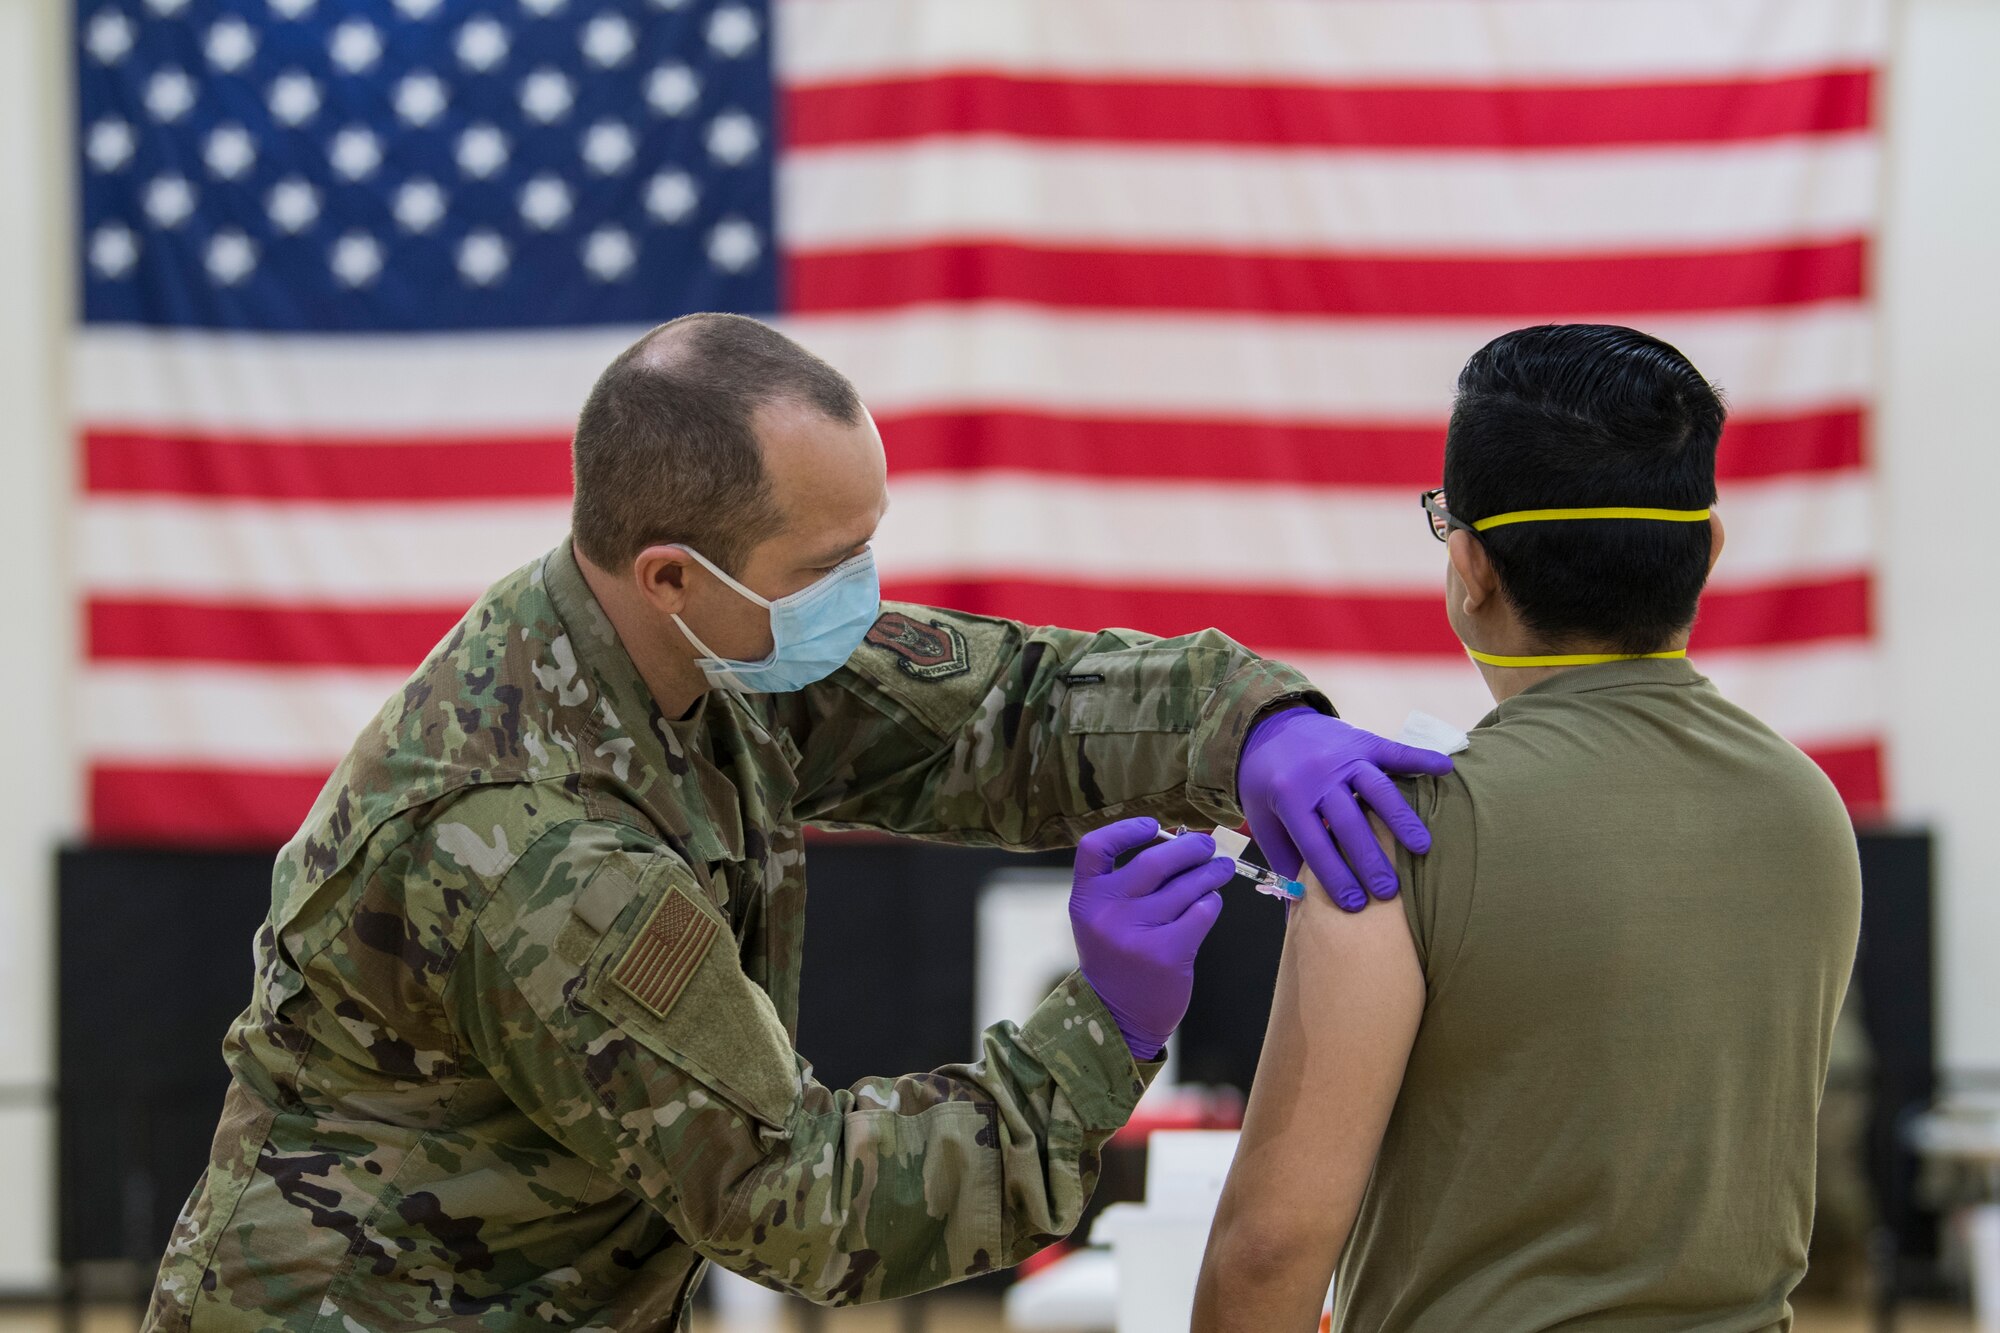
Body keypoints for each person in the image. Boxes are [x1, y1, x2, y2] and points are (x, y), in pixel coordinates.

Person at [144, 312, 1452, 1331]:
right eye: (828, 568)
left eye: (867, 543)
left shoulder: (703, 647)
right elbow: (801, 1205)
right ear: (671, 572)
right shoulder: (531, 842)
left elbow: (999, 710)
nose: (862, 596)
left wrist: (1248, 727)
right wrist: (1096, 1029)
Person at [1193, 325, 1863, 1332]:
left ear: (1469, 564)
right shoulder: (1808, 807)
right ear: (1708, 548)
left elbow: (1269, 1249)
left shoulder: (1392, 829)